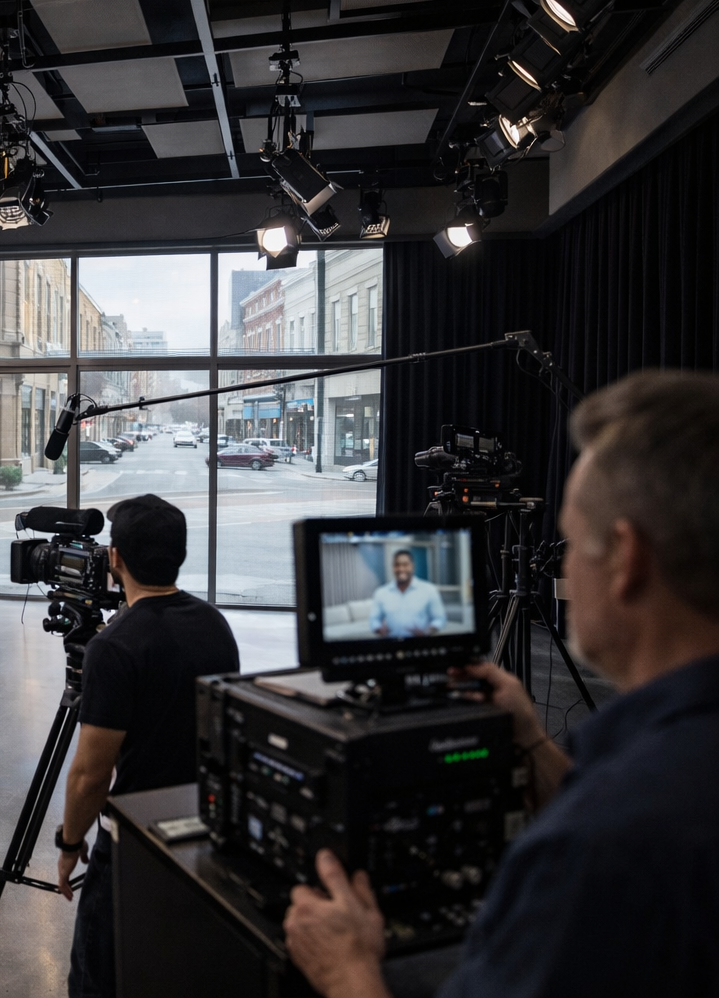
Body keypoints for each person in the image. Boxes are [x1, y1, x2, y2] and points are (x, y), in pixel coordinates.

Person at [283, 369, 719, 998]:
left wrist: (347, 969)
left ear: (626, 560)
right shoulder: (654, 780)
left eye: (570, 540)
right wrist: (532, 738)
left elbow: (618, 828)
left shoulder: (605, 845)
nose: (560, 563)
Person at [57, 494, 240, 998]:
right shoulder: (214, 622)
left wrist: (71, 845)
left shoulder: (114, 646)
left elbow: (91, 774)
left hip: (134, 846)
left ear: (114, 559)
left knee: (98, 980)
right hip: (205, 831)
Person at [368, 549, 446, 637]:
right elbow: (374, 619)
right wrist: (379, 629)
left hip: (419, 645)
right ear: (393, 567)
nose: (401, 569)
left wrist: (427, 631)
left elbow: (439, 619)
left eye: (405, 564)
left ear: (412, 566)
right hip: (390, 644)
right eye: (397, 565)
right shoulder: (381, 592)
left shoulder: (429, 590)